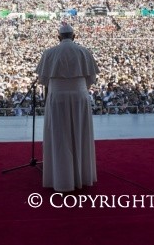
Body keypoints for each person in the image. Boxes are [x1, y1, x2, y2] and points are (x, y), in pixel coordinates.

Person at [36, 23, 99, 192]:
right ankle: (82, 175)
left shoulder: (49, 53)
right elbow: (91, 79)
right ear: (74, 36)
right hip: (79, 96)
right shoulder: (84, 52)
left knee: (59, 137)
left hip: (57, 98)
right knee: (80, 134)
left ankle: (61, 180)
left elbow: (43, 80)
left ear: (58, 37)